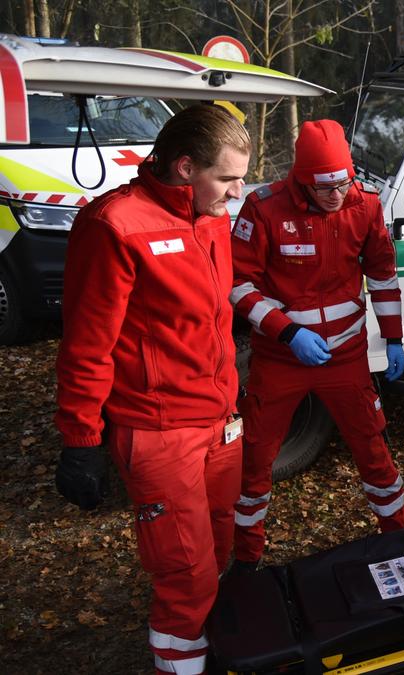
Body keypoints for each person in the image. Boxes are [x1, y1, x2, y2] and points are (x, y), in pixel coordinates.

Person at [54, 104, 251, 675]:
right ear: (186, 167)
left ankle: (203, 649)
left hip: (220, 422)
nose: (238, 193)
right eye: (228, 178)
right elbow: (87, 344)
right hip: (159, 430)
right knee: (183, 572)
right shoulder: (115, 226)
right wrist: (81, 438)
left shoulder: (210, 215)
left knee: (218, 549)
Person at [228, 119, 404, 569]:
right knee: (255, 459)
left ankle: (402, 540)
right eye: (325, 187)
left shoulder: (363, 204)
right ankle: (245, 560)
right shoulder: (264, 208)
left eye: (343, 182)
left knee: (373, 449)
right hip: (280, 358)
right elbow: (236, 284)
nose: (337, 195)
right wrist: (288, 331)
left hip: (346, 357)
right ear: (301, 182)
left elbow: (383, 276)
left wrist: (393, 339)